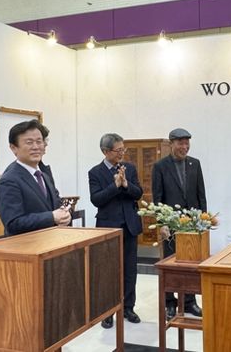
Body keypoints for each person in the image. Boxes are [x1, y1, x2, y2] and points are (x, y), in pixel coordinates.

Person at [88, 133, 143, 328]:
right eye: (118, 150)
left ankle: (128, 307)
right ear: (105, 151)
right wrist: (115, 185)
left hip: (129, 225)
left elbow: (139, 193)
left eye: (123, 149)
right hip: (108, 228)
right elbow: (96, 199)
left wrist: (126, 185)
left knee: (130, 269)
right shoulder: (95, 172)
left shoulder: (130, 168)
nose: (122, 153)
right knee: (108, 270)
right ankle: (108, 310)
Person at [152, 128, 207, 320]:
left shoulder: (195, 164)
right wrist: (162, 223)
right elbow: (158, 198)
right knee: (170, 263)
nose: (185, 147)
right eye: (180, 143)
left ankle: (189, 301)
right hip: (171, 224)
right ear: (171, 144)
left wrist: (203, 220)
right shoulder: (160, 166)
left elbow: (201, 194)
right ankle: (170, 302)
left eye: (187, 143)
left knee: (190, 263)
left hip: (191, 224)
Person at [0, 120, 70, 235]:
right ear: (13, 148)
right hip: (26, 244)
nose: (36, 147)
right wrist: (51, 217)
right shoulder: (9, 179)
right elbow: (13, 223)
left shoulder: (44, 175)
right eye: (29, 142)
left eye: (39, 141)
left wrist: (65, 214)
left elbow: (57, 205)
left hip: (51, 241)